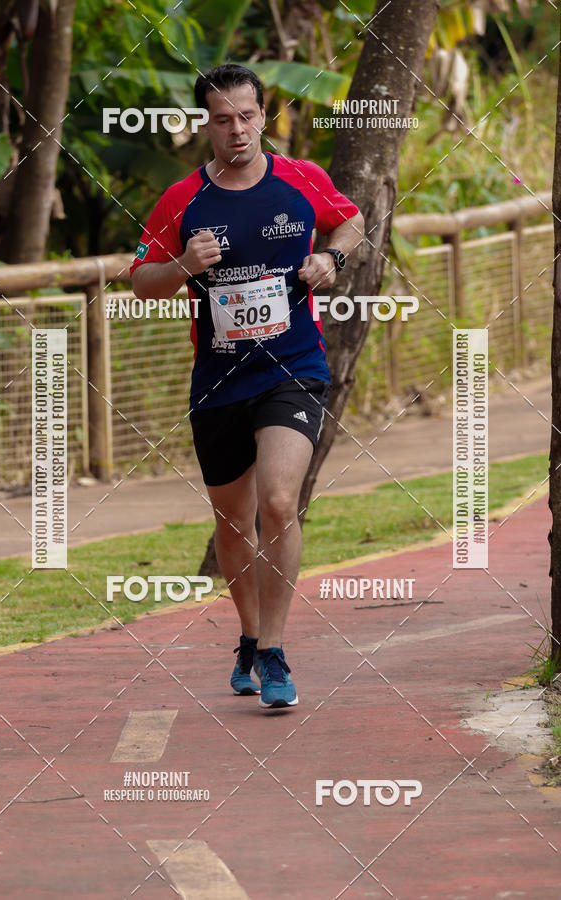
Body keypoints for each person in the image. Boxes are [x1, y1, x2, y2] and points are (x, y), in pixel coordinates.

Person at [130, 63, 364, 710]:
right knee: (233, 523)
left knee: (279, 503)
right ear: (206, 124)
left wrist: (331, 257)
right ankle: (249, 634)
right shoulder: (182, 200)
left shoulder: (301, 179)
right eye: (223, 118)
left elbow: (353, 219)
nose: (237, 129)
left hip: (294, 368)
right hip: (219, 380)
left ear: (265, 115)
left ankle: (275, 652)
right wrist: (181, 265)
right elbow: (139, 280)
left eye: (248, 115)